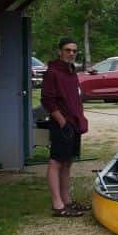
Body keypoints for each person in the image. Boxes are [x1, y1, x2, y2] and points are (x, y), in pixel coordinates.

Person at [40, 36, 89, 217]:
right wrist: (61, 121)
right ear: (60, 51)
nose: (71, 53)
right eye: (68, 50)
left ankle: (67, 200)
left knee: (68, 162)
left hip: (74, 123)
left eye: (74, 51)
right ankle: (57, 204)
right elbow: (47, 99)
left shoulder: (71, 71)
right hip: (62, 123)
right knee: (56, 162)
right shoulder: (53, 72)